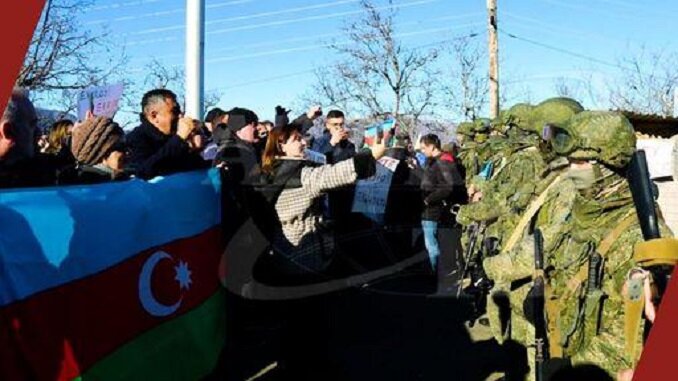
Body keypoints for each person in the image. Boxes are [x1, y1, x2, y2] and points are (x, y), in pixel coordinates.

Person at [254, 124, 385, 276]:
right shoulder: (299, 175)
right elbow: (333, 174)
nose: (304, 143)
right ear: (281, 145)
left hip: (282, 249)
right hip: (307, 254)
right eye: (297, 139)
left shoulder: (269, 172)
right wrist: (370, 156)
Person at [126, 89, 207, 180]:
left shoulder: (174, 139)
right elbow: (143, 171)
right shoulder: (136, 139)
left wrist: (194, 151)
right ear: (154, 116)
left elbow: (194, 168)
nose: (180, 116)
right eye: (174, 111)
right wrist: (179, 138)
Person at [419, 134, 467, 281]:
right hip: (432, 209)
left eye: (423, 148)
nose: (421, 151)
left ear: (432, 146)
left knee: (432, 243)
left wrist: (428, 200)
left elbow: (447, 187)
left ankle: (437, 272)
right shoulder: (433, 162)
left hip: (434, 209)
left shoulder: (444, 162)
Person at [0, 89, 58, 188]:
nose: (39, 133)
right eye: (32, 124)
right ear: (8, 131)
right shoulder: (40, 182)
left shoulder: (45, 170)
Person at [59, 116, 129, 184]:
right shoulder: (95, 188)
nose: (128, 152)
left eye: (127, 146)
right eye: (121, 147)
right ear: (100, 153)